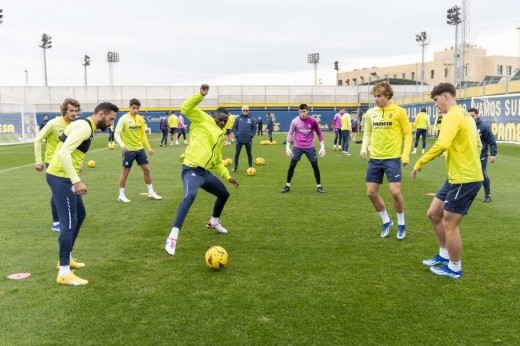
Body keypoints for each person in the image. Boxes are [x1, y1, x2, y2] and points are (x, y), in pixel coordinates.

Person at [412, 83, 483, 279]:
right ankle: (444, 256)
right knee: (434, 213)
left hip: (464, 179)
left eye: (435, 100)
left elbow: (442, 143)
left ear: (445, 96)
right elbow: (477, 144)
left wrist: (420, 161)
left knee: (449, 224)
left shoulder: (452, 115)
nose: (435, 105)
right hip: (456, 176)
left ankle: (454, 267)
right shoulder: (465, 116)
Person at [47, 102, 118, 285]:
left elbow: (67, 148)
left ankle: (67, 257)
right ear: (101, 114)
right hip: (60, 177)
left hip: (63, 175)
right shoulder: (84, 127)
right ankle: (63, 272)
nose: (111, 123)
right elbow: (63, 153)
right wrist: (76, 180)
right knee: (68, 223)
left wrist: (75, 169)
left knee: (80, 214)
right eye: (110, 119)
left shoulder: (82, 125)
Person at [165, 84, 239, 256]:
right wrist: (200, 95)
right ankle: (173, 236)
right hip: (190, 169)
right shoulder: (201, 119)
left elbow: (218, 161)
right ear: (213, 116)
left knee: (224, 194)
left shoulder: (220, 135)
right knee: (190, 195)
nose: (222, 123)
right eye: (220, 119)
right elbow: (185, 108)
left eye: (224, 121)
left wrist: (227, 176)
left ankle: (214, 222)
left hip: (205, 173)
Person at [360, 81, 412, 240]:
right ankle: (386, 221)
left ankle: (401, 223)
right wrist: (363, 148)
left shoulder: (399, 112)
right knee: (371, 192)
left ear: (388, 95)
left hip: (392, 158)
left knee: (395, 192)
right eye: (375, 96)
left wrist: (405, 155)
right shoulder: (370, 113)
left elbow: (408, 134)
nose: (376, 99)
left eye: (379, 96)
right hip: (375, 158)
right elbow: (367, 133)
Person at [34, 98, 80, 232]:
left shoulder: (76, 125)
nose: (74, 113)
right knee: (57, 193)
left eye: (76, 111)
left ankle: (70, 217)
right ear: (64, 110)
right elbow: (38, 139)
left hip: (67, 163)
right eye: (71, 110)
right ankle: (56, 222)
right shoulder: (53, 124)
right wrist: (38, 160)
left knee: (71, 189)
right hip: (52, 162)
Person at [115, 98, 162, 202]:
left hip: (140, 149)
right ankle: (121, 195)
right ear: (129, 107)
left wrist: (149, 148)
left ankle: (151, 192)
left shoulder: (141, 119)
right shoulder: (123, 119)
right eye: (133, 108)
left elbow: (143, 135)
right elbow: (117, 133)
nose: (135, 110)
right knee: (125, 172)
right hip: (128, 151)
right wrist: (122, 145)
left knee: (147, 169)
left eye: (137, 108)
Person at [281, 104, 326, 193]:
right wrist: (287, 147)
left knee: (315, 166)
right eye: (300, 112)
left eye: (304, 111)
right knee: (292, 166)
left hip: (310, 147)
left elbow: (319, 133)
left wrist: (323, 147)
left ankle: (319, 186)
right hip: (298, 147)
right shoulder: (294, 121)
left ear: (307, 111)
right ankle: (287, 185)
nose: (302, 113)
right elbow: (290, 133)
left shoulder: (313, 121)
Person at [468, 107, 497, 202]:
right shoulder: (467, 125)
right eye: (469, 116)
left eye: (472, 116)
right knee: (469, 174)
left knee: (482, 175)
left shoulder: (484, 126)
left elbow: (491, 140)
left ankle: (487, 195)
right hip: (469, 155)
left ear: (477, 115)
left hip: (482, 155)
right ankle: (468, 194)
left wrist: (493, 154)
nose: (471, 118)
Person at [232, 105, 256, 172]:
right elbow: (234, 127)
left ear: (248, 111)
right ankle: (235, 168)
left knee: (249, 154)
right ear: (241, 110)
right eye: (244, 110)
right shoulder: (238, 118)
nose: (245, 111)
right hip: (239, 140)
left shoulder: (252, 119)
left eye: (247, 110)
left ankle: (250, 167)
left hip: (248, 140)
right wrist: (236, 135)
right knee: (237, 153)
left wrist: (252, 135)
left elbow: (254, 128)